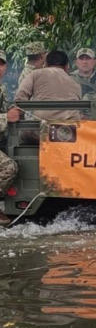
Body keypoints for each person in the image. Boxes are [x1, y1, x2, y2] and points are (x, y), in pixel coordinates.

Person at [10, 50, 82, 122]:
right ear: (66, 66)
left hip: (43, 125)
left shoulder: (35, 74)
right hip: (70, 127)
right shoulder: (75, 82)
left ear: (46, 64)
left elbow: (20, 97)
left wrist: (20, 114)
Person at [0, 50, 19, 226]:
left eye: (1, 63)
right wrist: (7, 117)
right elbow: (6, 115)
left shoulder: (2, 89)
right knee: (8, 167)